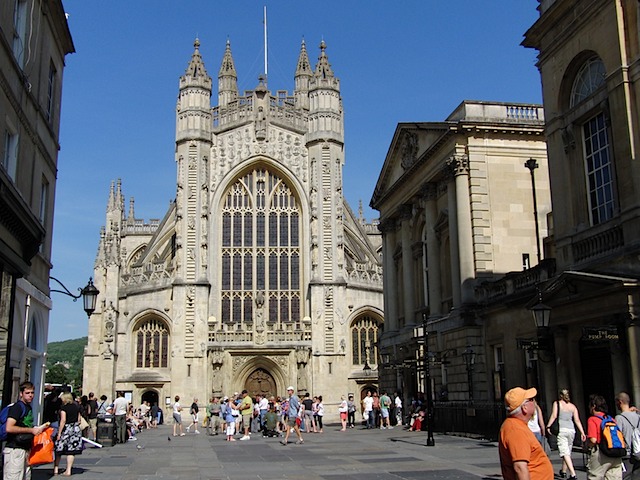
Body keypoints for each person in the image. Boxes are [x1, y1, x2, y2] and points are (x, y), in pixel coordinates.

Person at [498, 387, 553, 480]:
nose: (534, 402)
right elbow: (520, 468)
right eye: (531, 400)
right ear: (524, 408)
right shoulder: (516, 430)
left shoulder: (517, 426)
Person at [3, 381, 46, 480]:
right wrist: (31, 430)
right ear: (21, 394)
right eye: (27, 393)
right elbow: (9, 427)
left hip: (25, 449)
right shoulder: (17, 407)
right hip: (15, 450)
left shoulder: (28, 407)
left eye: (32, 393)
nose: (30, 395)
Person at [546, 388, 587, 480]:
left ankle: (573, 474)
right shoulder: (573, 407)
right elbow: (577, 420)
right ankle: (563, 471)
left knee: (565, 452)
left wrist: (548, 426)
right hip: (571, 430)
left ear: (560, 395)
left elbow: (554, 415)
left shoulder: (557, 404)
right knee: (567, 451)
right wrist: (582, 432)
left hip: (562, 429)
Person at [587, 394, 623, 480]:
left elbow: (593, 440)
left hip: (601, 454)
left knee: (595, 477)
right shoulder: (611, 419)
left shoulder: (592, 419)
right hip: (615, 453)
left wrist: (588, 446)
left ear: (594, 406)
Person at [53, 392, 83, 476]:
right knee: (71, 451)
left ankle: (55, 469)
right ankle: (68, 470)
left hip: (66, 429)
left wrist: (59, 433)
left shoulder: (63, 408)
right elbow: (79, 420)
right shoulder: (76, 407)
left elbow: (63, 420)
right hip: (75, 429)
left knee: (58, 449)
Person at [615, 392, 640, 479]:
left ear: (620, 402)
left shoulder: (619, 418)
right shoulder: (638, 416)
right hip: (638, 453)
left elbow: (617, 436)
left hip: (627, 455)